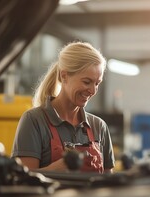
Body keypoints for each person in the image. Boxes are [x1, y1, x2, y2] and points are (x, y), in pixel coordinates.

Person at [11, 41, 115, 173]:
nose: (93, 90)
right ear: (64, 76)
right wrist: (55, 170)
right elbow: (23, 182)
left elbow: (109, 186)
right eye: (87, 82)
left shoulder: (99, 127)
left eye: (97, 83)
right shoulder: (34, 121)